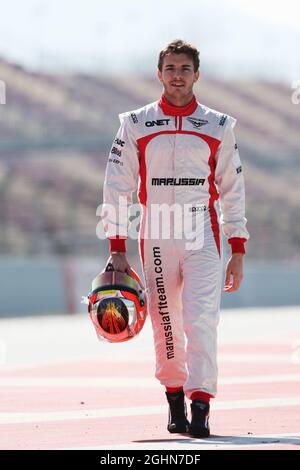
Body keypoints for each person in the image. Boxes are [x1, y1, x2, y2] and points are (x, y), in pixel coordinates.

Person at [101, 39, 249, 438]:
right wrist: (117, 249)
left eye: (184, 68)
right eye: (170, 68)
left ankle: (200, 404)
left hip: (202, 232)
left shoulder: (220, 125)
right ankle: (174, 398)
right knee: (166, 321)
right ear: (159, 73)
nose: (177, 75)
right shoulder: (135, 122)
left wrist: (238, 248)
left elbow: (233, 189)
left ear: (197, 74)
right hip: (156, 231)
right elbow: (117, 184)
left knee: (202, 319)